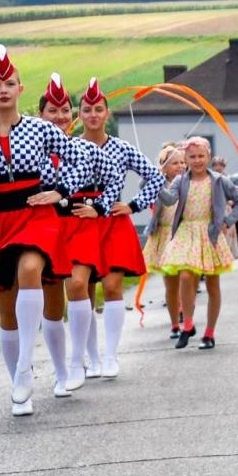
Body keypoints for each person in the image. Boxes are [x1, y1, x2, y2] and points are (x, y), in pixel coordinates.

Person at [0, 46, 89, 416]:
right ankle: (20, 389)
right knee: (6, 308)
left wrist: (59, 191)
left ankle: (27, 364)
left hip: (35, 214)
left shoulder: (42, 129)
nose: (3, 89)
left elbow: (81, 160)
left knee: (30, 270)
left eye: (9, 83)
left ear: (20, 88)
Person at [62, 79, 164, 383]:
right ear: (79, 114)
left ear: (107, 113)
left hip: (113, 223)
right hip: (80, 222)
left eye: (98, 109)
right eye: (87, 109)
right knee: (82, 289)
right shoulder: (70, 147)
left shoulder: (121, 148)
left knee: (112, 287)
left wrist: (133, 205)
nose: (93, 115)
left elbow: (155, 177)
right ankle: (90, 358)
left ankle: (110, 356)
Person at [158, 136, 238, 348]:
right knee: (184, 275)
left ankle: (209, 332)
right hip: (185, 232)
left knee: (212, 284)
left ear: (208, 156)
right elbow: (170, 199)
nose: (197, 160)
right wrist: (157, 184)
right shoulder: (181, 181)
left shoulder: (218, 180)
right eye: (192, 157)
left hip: (209, 233)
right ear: (186, 159)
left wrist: (227, 221)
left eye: (201, 156)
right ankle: (188, 325)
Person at [36, 75, 80, 398]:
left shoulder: (79, 149)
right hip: (41, 228)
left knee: (74, 291)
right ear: (41, 115)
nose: (61, 116)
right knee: (49, 300)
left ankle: (76, 363)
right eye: (53, 110)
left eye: (65, 109)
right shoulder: (32, 148)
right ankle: (59, 370)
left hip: (76, 227)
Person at [142, 141, 187, 337]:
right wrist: (152, 178)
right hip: (165, 234)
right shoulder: (158, 183)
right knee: (171, 281)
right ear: (164, 166)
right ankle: (175, 322)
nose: (180, 166)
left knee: (186, 278)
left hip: (185, 234)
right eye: (175, 163)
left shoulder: (190, 181)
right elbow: (144, 187)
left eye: (182, 162)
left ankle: (185, 312)